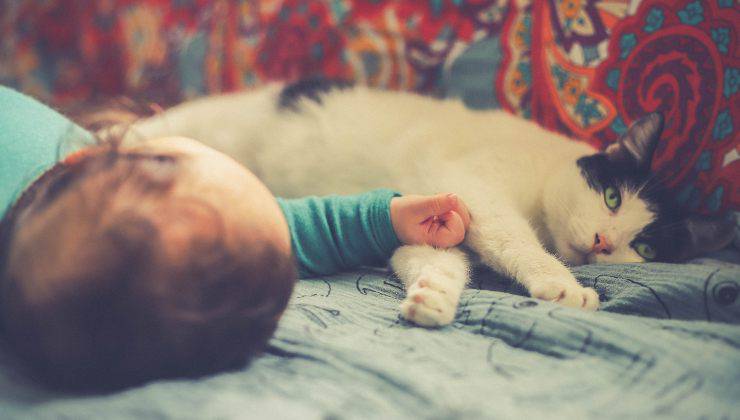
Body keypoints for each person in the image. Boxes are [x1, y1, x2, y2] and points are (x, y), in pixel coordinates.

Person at [0, 86, 471, 391]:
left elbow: (278, 230)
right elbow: (294, 228)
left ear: (88, 160)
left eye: (169, 163)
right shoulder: (80, 223)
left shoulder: (75, 213)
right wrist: (382, 221)